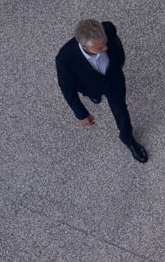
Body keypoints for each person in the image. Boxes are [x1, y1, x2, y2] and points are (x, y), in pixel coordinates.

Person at [55, 19, 148, 163]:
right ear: (85, 47)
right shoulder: (65, 59)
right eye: (100, 48)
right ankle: (95, 95)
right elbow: (67, 88)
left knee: (121, 110)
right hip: (89, 85)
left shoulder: (108, 28)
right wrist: (81, 114)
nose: (105, 48)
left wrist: (119, 62)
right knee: (93, 93)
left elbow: (116, 46)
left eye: (105, 43)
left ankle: (128, 139)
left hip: (113, 81)